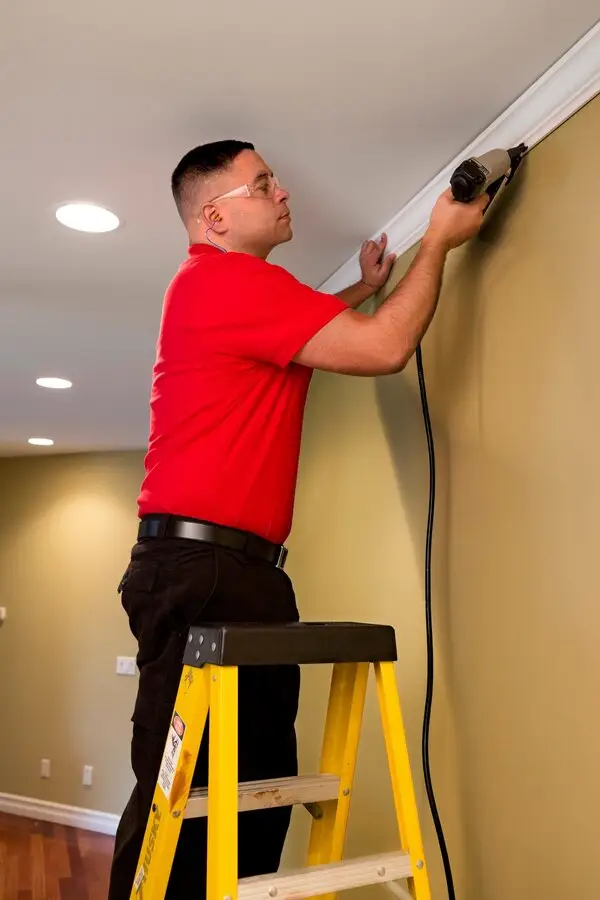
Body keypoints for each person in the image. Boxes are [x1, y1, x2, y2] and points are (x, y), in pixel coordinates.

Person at [107, 139, 486, 897]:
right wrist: (439, 237)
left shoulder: (241, 293)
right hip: (198, 573)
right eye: (263, 183)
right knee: (175, 804)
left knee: (257, 796)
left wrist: (359, 287)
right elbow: (384, 349)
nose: (283, 193)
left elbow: (303, 332)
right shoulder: (223, 284)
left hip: (240, 574)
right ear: (214, 216)